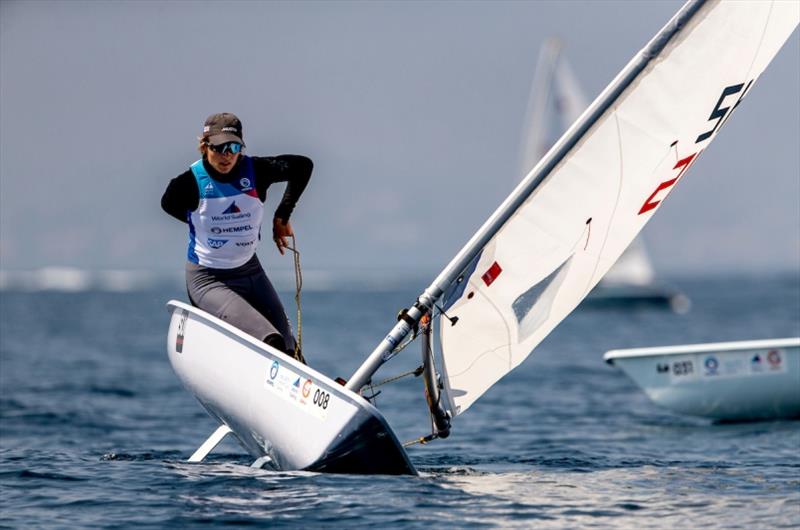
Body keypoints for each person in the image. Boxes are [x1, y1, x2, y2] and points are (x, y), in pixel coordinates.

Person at [161, 112, 312, 363]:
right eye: (219, 147)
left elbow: (303, 166)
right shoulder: (188, 184)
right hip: (208, 280)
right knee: (270, 340)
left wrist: (282, 217)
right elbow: (168, 204)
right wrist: (200, 223)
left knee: (289, 348)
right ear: (204, 146)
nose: (227, 155)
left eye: (233, 147)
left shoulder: (257, 171)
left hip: (251, 272)